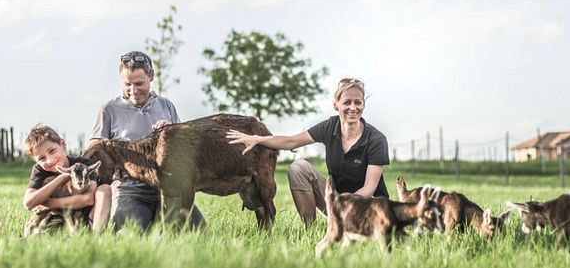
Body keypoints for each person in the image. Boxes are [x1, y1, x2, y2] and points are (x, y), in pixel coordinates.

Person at [227, 77, 390, 228]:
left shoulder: (376, 139)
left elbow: (370, 187)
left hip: (368, 205)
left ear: (363, 105)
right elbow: (291, 141)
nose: (353, 108)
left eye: (358, 102)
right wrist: (257, 139)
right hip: (337, 201)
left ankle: (350, 225)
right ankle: (310, 229)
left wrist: (342, 204)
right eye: (347, 102)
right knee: (298, 168)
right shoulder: (329, 127)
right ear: (336, 105)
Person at [90, 50, 205, 233]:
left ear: (151, 76)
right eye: (127, 84)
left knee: (197, 231)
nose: (133, 91)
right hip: (130, 190)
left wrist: (172, 131)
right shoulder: (108, 110)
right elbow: (95, 151)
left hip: (167, 189)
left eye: (139, 83)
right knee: (132, 234)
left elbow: (184, 152)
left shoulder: (166, 106)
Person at [22, 124, 111, 233]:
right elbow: (28, 203)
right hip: (57, 217)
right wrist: (62, 177)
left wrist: (48, 204)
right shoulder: (39, 170)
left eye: (52, 151)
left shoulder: (83, 164)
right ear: (36, 161)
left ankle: (96, 236)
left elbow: (88, 199)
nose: (50, 160)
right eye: (42, 158)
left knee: (105, 189)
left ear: (62, 145)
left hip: (86, 215)